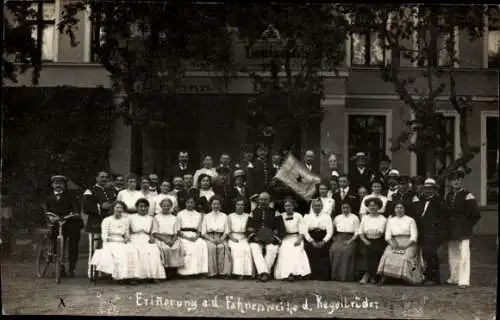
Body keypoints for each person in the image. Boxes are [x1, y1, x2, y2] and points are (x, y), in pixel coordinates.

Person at [445, 171, 481, 288]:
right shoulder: (449, 195)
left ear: (462, 181)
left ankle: (464, 280)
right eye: (454, 180)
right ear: (450, 182)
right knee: (453, 253)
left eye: (459, 179)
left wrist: (467, 224)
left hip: (463, 228)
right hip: (451, 227)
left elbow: (475, 214)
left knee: (464, 254)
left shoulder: (468, 195)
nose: (456, 182)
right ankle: (454, 277)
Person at [43, 175, 83, 277]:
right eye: (56, 184)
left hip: (71, 223)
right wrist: (49, 217)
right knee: (56, 244)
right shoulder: (49, 198)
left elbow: (76, 207)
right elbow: (46, 211)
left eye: (61, 184)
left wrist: (75, 213)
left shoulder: (71, 195)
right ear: (52, 185)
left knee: (73, 246)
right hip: (57, 224)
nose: (58, 186)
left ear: (64, 185)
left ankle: (71, 269)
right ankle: (60, 268)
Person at [90, 201, 140, 283]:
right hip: (110, 242)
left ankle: (130, 276)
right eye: (117, 207)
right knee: (120, 253)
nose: (119, 209)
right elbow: (104, 236)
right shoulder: (107, 220)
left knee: (133, 251)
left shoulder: (125, 220)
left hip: (122, 241)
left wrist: (126, 239)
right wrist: (117, 240)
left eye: (121, 208)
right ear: (113, 209)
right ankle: (120, 277)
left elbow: (127, 234)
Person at [377, 201, 424, 285]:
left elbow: (414, 236)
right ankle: (386, 278)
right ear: (394, 209)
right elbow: (387, 235)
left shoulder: (410, 220)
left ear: (405, 209)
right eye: (397, 208)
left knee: (406, 256)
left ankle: (408, 278)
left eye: (401, 208)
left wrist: (406, 245)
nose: (399, 210)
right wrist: (392, 244)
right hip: (394, 242)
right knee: (387, 255)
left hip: (409, 243)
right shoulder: (391, 220)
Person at [82, 171, 117, 278]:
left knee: (109, 247)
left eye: (106, 177)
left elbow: (116, 204)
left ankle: (106, 271)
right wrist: (102, 208)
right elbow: (87, 208)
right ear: (96, 178)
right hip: (96, 223)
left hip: (111, 223)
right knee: (94, 248)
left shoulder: (111, 191)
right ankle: (92, 272)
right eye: (101, 177)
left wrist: (110, 206)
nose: (104, 179)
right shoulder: (90, 191)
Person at [415, 178, 447, 285]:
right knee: (425, 254)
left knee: (431, 254)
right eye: (426, 189)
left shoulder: (440, 201)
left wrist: (439, 231)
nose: (428, 191)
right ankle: (425, 276)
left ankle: (434, 278)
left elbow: (443, 217)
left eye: (430, 189)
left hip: (434, 231)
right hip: (423, 230)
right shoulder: (421, 199)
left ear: (434, 189)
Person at [247, 192, 285, 282]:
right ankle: (264, 273)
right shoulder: (253, 212)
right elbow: (248, 228)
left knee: (272, 249)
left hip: (271, 239)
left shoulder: (275, 213)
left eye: (265, 199)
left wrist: (273, 237)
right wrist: (255, 236)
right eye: (261, 199)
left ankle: (263, 273)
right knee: (255, 248)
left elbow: (281, 229)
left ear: (269, 201)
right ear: (258, 200)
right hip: (257, 239)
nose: (263, 201)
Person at [128, 198, 166, 282]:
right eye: (141, 206)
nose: (143, 208)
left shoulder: (151, 218)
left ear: (148, 208)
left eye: (145, 207)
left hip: (146, 237)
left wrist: (152, 237)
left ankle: (153, 275)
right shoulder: (130, 217)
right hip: (134, 237)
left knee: (153, 250)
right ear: (137, 207)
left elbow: (154, 230)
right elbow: (127, 230)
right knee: (136, 251)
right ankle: (136, 277)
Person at [274, 198, 311, 281]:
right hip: (286, 238)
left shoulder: (298, 215)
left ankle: (298, 273)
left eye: (290, 205)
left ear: (293, 206)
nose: (288, 207)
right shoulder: (281, 216)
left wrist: (299, 239)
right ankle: (288, 274)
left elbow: (302, 229)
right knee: (285, 250)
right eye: (286, 206)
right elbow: (279, 229)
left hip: (296, 237)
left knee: (296, 250)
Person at [357, 197, 387, 284]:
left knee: (375, 251)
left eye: (374, 206)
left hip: (378, 240)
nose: (372, 207)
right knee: (368, 251)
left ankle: (371, 275)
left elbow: (382, 233)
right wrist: (365, 240)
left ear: (379, 207)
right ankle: (370, 275)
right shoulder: (365, 218)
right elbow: (360, 232)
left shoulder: (383, 219)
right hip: (366, 240)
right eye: (370, 206)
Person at [176, 196, 209, 277]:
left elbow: (199, 229)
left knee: (202, 244)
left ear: (195, 204)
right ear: (185, 203)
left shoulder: (199, 215)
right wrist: (187, 238)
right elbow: (178, 229)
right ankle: (185, 272)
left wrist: (196, 237)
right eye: (188, 202)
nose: (190, 204)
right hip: (183, 235)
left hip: (194, 236)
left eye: (192, 202)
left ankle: (199, 271)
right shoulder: (180, 214)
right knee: (187, 246)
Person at [152, 198, 185, 278]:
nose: (166, 207)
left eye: (168, 206)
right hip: (161, 237)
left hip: (172, 237)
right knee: (165, 248)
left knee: (177, 247)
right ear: (161, 206)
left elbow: (177, 231)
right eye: (164, 206)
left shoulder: (174, 218)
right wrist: (165, 240)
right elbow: (155, 232)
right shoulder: (156, 217)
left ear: (171, 207)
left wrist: (173, 240)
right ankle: (166, 270)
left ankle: (174, 270)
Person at [302, 199, 333, 281]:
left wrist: (324, 241)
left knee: (324, 251)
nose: (317, 207)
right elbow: (305, 231)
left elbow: (330, 231)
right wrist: (311, 241)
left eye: (319, 205)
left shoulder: (327, 216)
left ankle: (323, 276)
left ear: (322, 207)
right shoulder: (307, 216)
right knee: (309, 249)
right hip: (311, 237)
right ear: (312, 206)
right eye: (315, 205)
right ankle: (311, 275)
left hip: (323, 237)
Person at [201, 196, 232, 278]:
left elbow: (227, 231)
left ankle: (222, 273)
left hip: (221, 237)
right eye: (214, 204)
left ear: (220, 205)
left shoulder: (225, 216)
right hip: (209, 237)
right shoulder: (206, 216)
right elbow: (203, 232)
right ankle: (212, 273)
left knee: (222, 247)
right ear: (211, 205)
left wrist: (221, 239)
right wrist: (211, 239)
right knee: (211, 248)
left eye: (218, 204)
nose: (216, 206)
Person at [329, 201, 360, 281]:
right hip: (339, 237)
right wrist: (333, 237)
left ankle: (346, 276)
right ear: (341, 209)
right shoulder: (337, 217)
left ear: (350, 209)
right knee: (333, 249)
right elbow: (332, 229)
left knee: (346, 251)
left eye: (347, 208)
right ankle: (335, 276)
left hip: (350, 238)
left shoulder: (355, 218)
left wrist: (350, 241)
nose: (345, 209)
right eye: (343, 208)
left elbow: (357, 232)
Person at [227, 199, 253, 279]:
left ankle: (247, 273)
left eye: (242, 205)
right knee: (237, 249)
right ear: (235, 206)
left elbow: (249, 229)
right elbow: (227, 230)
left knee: (247, 249)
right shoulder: (230, 216)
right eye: (238, 204)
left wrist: (248, 238)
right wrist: (232, 238)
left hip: (244, 237)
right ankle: (238, 273)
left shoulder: (248, 216)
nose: (240, 206)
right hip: (233, 237)